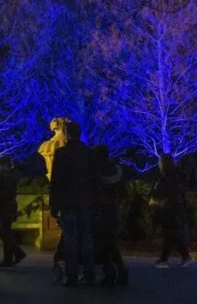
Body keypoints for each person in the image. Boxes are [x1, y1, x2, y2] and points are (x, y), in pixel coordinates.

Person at [49, 120, 97, 287]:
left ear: (67, 134)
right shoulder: (89, 153)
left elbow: (55, 182)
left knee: (70, 240)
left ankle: (71, 275)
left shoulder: (62, 153)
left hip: (68, 203)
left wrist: (54, 205)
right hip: (86, 202)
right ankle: (90, 275)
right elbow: (94, 181)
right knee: (87, 240)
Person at [150, 154, 193, 268]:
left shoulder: (166, 178)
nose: (159, 165)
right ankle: (183, 257)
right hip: (176, 209)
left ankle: (168, 259)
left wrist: (158, 200)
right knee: (172, 235)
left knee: (170, 234)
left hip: (169, 210)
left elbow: (163, 192)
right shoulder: (178, 176)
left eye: (160, 162)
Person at [93, 145, 127, 285]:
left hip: (99, 210)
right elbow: (123, 192)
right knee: (111, 243)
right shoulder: (117, 170)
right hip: (113, 210)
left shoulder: (95, 171)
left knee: (103, 244)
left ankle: (111, 272)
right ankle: (120, 270)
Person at [0, 155, 26, 267]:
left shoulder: (7, 177)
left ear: (3, 165)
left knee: (4, 232)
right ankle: (14, 255)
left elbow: (4, 192)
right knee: (4, 231)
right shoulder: (11, 175)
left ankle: (14, 255)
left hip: (5, 207)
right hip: (8, 206)